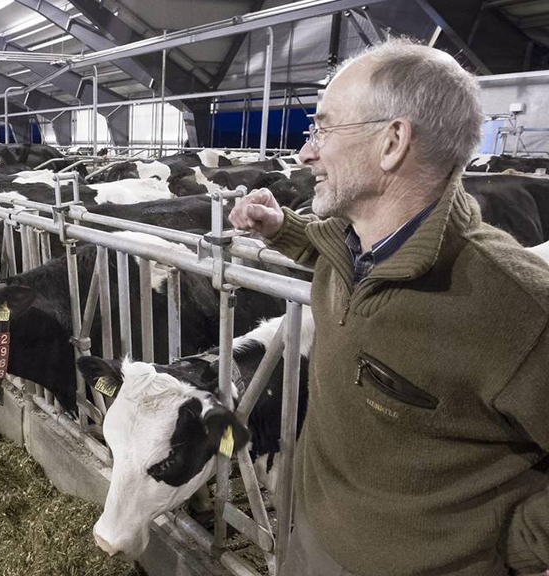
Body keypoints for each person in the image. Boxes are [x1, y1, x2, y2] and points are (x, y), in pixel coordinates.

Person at [229, 39, 549, 576]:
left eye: (323, 128)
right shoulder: (351, 240)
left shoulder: (516, 307)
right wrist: (284, 229)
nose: (306, 153)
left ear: (392, 142)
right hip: (307, 535)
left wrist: (502, 547)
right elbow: (333, 251)